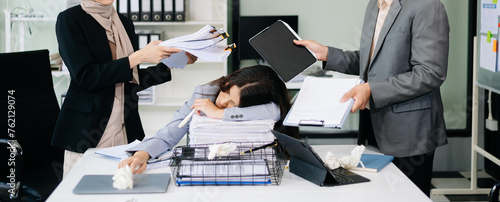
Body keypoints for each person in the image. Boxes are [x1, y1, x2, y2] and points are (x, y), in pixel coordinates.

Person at [294, 0, 449, 196]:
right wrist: (326, 54)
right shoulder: (374, 6)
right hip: (374, 125)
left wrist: (371, 89)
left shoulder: (427, 6)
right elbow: (371, 63)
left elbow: (429, 73)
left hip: (410, 132)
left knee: (408, 196)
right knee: (380, 194)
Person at [51, 0, 197, 177]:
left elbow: (130, 79)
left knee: (124, 187)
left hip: (125, 127)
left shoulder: (124, 22)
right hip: (88, 130)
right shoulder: (70, 19)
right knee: (81, 191)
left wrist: (172, 62)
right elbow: (86, 77)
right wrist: (140, 56)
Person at [119, 65, 297, 174]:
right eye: (226, 91)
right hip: (204, 169)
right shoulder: (205, 92)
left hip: (251, 170)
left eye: (232, 103)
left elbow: (275, 111)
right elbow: (172, 130)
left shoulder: (267, 108)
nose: (221, 101)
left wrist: (218, 114)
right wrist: (143, 154)